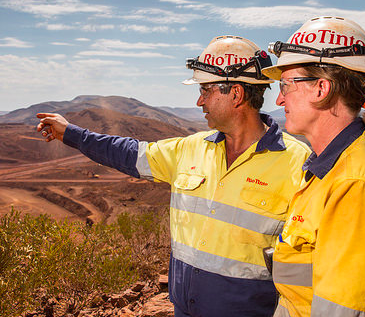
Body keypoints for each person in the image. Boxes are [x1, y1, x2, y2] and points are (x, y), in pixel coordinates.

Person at [37, 35, 311, 317]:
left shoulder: (298, 163)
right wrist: (71, 134)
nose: (199, 101)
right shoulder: (190, 149)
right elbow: (130, 154)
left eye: (205, 90)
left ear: (236, 94)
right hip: (184, 309)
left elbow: (312, 262)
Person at [261, 16, 365, 317]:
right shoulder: (333, 168)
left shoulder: (357, 185)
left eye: (285, 85)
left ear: (321, 88)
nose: (280, 99)